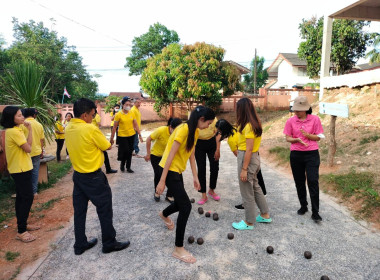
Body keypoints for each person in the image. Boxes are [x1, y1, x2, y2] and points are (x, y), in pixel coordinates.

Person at [65, 98, 130, 255]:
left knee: (79, 212)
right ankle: (109, 243)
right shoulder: (90, 129)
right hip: (93, 177)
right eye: (93, 115)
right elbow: (107, 146)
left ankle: (79, 244)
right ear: (85, 115)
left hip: (78, 176)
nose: (93, 118)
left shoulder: (69, 128)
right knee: (104, 209)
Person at [156, 106, 215, 264]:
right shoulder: (183, 129)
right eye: (208, 123)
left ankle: (164, 214)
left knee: (181, 202)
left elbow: (191, 154)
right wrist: (162, 180)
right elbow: (170, 154)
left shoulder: (195, 131)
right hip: (169, 171)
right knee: (186, 206)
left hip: (177, 171)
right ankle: (178, 248)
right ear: (201, 119)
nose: (209, 126)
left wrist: (195, 177)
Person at [1, 106, 40, 243]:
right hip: (21, 169)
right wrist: (29, 130)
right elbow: (28, 148)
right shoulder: (14, 132)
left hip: (20, 168)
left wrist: (26, 127)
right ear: (11, 119)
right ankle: (21, 231)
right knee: (27, 197)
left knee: (21, 197)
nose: (22, 117)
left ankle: (23, 224)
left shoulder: (14, 130)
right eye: (18, 116)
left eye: (21, 114)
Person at [232, 98, 272, 231]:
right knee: (255, 186)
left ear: (241, 110)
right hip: (254, 157)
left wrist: (244, 169)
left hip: (247, 158)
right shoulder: (255, 123)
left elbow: (248, 149)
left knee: (246, 190)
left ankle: (249, 222)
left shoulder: (248, 126)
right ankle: (265, 214)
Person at [283, 96, 324, 222]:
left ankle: (315, 212)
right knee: (299, 181)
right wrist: (296, 139)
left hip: (311, 154)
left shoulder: (315, 119)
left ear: (306, 109)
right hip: (296, 155)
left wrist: (308, 136)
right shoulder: (290, 121)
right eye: (295, 110)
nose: (296, 112)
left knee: (312, 181)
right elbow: (287, 138)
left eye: (299, 110)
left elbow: (319, 137)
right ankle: (303, 206)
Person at [215, 119, 267, 210]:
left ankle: (246, 204)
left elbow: (238, 155)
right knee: (258, 177)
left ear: (223, 130)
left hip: (246, 159)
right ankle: (262, 196)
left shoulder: (230, 140)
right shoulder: (238, 128)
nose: (218, 132)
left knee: (246, 183)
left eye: (219, 130)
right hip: (254, 154)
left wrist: (244, 167)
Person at [144, 117, 182, 202]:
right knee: (158, 174)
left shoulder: (179, 134)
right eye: (175, 130)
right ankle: (157, 192)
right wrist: (148, 153)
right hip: (156, 156)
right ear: (171, 127)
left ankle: (169, 195)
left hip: (168, 157)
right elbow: (149, 139)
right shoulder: (161, 130)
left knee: (172, 175)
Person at [110, 97, 143, 173]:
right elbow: (114, 127)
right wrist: (112, 138)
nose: (128, 106)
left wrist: (140, 135)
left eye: (129, 104)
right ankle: (122, 164)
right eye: (126, 104)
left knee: (130, 151)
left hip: (131, 135)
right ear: (123, 105)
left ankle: (128, 167)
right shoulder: (118, 114)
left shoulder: (131, 113)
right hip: (122, 136)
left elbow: (136, 124)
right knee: (125, 151)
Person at [195, 117, 221, 205]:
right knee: (201, 169)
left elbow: (218, 134)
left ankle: (211, 190)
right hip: (199, 144)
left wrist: (218, 149)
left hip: (212, 142)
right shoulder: (197, 119)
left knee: (214, 167)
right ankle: (203, 195)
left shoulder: (214, 119)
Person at [22, 108, 45, 196]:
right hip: (36, 151)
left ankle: (25, 191)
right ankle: (34, 192)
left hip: (25, 152)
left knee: (25, 172)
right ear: (34, 115)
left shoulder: (22, 124)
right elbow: (41, 140)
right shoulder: (39, 125)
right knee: (35, 172)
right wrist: (41, 150)